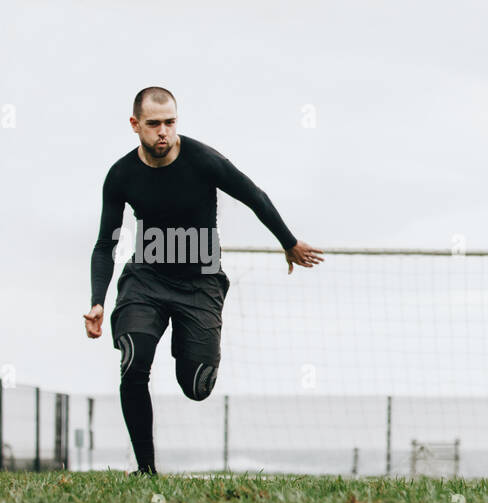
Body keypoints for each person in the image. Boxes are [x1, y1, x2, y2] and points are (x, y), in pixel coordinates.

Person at [85, 87, 323, 474]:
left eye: (170, 123)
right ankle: (146, 471)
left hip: (200, 284)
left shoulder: (204, 160)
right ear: (135, 125)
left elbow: (254, 196)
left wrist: (289, 242)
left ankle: (188, 344)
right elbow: (104, 243)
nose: (163, 132)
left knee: (196, 387)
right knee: (134, 362)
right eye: (154, 124)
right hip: (146, 279)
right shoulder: (121, 175)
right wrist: (98, 299)